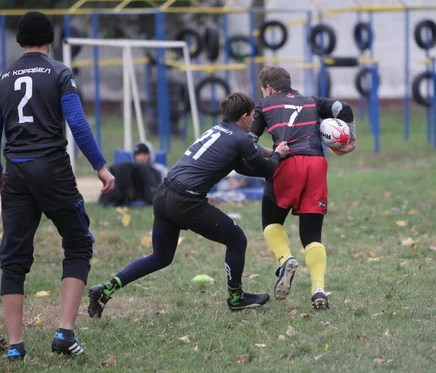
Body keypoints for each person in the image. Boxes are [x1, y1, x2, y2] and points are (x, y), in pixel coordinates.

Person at [88, 92, 290, 317]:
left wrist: (268, 158)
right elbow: (267, 170)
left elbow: (242, 167)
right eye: (252, 117)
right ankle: (236, 297)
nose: (253, 121)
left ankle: (105, 290)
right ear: (244, 117)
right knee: (237, 239)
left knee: (160, 257)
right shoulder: (241, 138)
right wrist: (278, 155)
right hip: (186, 200)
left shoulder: (216, 130)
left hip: (163, 194)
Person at [0, 11, 115, 361]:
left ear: (20, 42)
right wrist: (100, 167)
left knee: (13, 259)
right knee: (78, 242)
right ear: (50, 41)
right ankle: (64, 333)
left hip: (15, 173)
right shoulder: (60, 73)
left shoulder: (4, 78)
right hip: (52, 170)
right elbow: (78, 125)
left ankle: (16, 346)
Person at [251, 66, 356, 310]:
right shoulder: (312, 101)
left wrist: (264, 158)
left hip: (288, 164)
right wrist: (351, 139)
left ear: (268, 88)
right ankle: (318, 290)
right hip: (317, 165)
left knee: (272, 222)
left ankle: (285, 258)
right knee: (312, 235)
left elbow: (250, 141)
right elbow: (344, 108)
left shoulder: (264, 104)